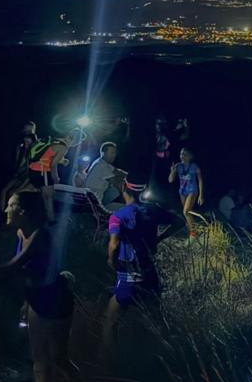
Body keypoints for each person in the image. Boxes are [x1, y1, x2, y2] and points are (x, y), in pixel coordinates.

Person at [0, 192, 75, 382]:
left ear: (23, 211)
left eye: (11, 205)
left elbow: (13, 266)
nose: (5, 210)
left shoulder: (40, 235)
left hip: (55, 298)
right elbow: (24, 272)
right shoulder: (22, 232)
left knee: (58, 357)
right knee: (39, 354)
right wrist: (26, 301)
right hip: (37, 298)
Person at [102, 180, 183, 353]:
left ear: (124, 188)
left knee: (110, 319)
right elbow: (179, 221)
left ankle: (107, 361)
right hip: (150, 271)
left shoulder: (118, 216)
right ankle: (164, 356)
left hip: (129, 274)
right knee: (156, 319)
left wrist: (110, 260)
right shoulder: (153, 210)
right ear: (143, 190)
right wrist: (160, 238)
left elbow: (114, 244)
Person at [27, 129, 83, 221]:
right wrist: (55, 177)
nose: (76, 144)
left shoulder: (55, 140)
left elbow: (49, 155)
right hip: (42, 170)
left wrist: (63, 161)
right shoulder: (63, 147)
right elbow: (53, 164)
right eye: (77, 142)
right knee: (49, 196)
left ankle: (46, 216)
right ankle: (50, 219)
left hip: (34, 168)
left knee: (46, 194)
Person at [168, 148, 205, 236]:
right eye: (181, 154)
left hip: (192, 190)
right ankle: (194, 230)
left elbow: (200, 181)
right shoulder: (178, 166)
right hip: (182, 191)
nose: (182, 156)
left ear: (190, 156)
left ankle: (194, 234)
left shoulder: (194, 166)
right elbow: (170, 180)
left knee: (186, 212)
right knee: (188, 213)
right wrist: (172, 172)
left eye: (185, 154)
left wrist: (201, 195)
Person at [83, 142, 124, 206]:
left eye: (115, 152)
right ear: (103, 153)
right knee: (118, 187)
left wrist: (132, 177)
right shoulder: (100, 165)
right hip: (91, 201)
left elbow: (118, 172)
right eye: (112, 153)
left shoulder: (105, 164)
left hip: (99, 197)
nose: (114, 155)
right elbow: (115, 181)